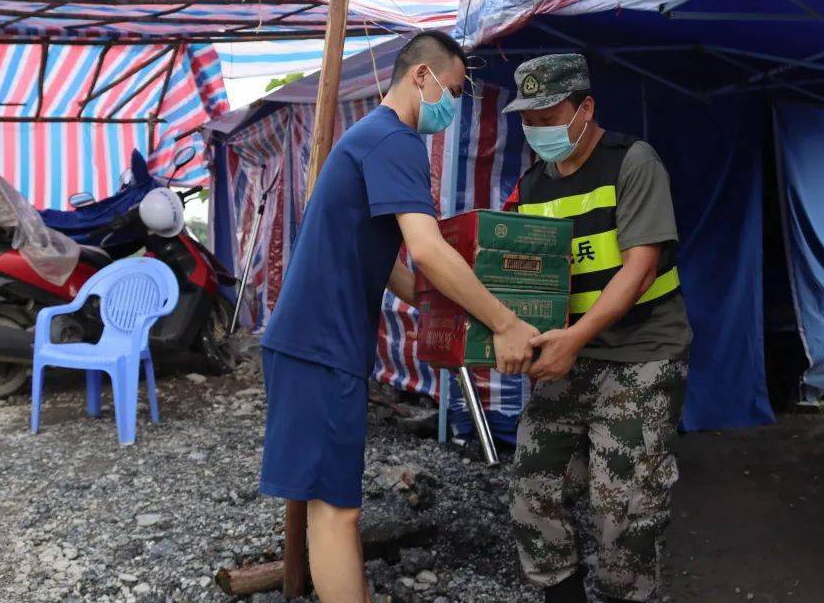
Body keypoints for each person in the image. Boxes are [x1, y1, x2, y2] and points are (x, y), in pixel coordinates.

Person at [258, 30, 539, 603]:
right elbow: (430, 249)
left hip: (308, 341)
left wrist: (448, 315)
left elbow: (386, 266)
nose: (454, 105)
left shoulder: (367, 138)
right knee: (337, 511)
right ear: (421, 76)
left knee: (322, 502)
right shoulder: (394, 140)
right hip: (322, 346)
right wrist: (506, 321)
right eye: (454, 90)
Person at [502, 54, 693, 603]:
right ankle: (562, 594)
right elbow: (514, 276)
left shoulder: (632, 162)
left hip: (642, 352)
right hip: (566, 356)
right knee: (532, 490)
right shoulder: (533, 186)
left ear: (584, 108)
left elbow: (641, 266)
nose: (536, 129)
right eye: (527, 119)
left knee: (625, 504)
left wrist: (575, 339)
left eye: (548, 115)